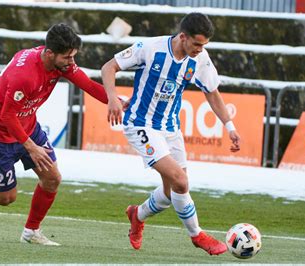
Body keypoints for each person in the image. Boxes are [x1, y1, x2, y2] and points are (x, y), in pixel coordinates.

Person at [0, 23, 110, 246]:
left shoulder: (59, 63)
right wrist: (31, 146)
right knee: (5, 198)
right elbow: (7, 116)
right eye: (68, 57)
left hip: (28, 128)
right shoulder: (25, 76)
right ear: (50, 53)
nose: (72, 62)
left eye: (73, 56)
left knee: (52, 179)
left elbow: (88, 84)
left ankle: (31, 232)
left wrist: (119, 102)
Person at [101, 13, 241, 255]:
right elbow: (109, 67)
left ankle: (137, 215)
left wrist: (230, 127)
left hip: (170, 128)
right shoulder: (150, 48)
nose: (200, 49)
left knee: (170, 192)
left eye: (204, 45)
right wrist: (113, 98)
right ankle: (197, 235)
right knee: (181, 182)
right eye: (196, 44)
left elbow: (212, 92)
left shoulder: (200, 59)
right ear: (183, 37)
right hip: (141, 124)